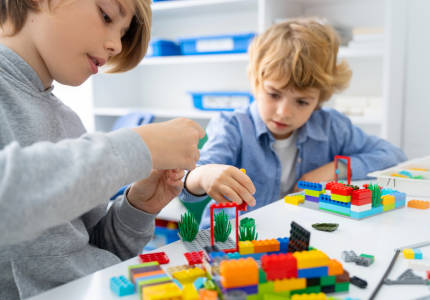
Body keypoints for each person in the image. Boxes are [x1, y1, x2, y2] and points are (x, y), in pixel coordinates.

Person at [0, 0, 204, 298]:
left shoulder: (67, 121)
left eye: (122, 33)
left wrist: (138, 206)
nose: (118, 47)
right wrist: (136, 147)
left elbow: (93, 249)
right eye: (106, 15)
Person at [181, 18, 407, 223]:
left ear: (319, 99)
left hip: (301, 233)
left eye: (302, 102)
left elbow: (393, 155)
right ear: (257, 83)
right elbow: (184, 185)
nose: (284, 112)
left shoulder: (331, 126)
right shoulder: (233, 126)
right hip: (233, 238)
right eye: (274, 94)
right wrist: (203, 175)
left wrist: (335, 169)